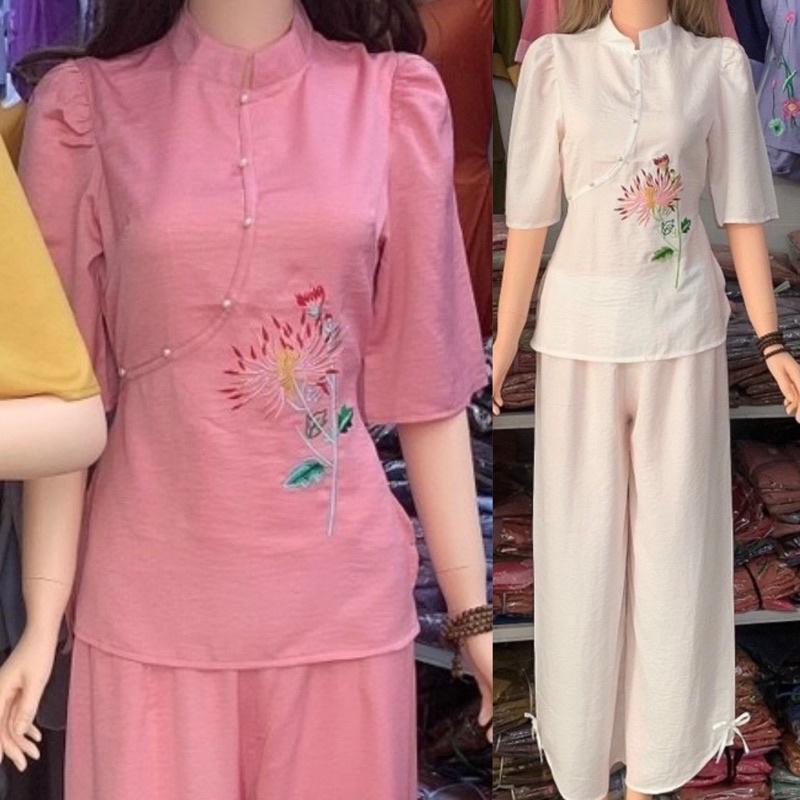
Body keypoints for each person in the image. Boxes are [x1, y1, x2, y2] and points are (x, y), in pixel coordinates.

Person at [5, 0, 492, 797]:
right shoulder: (85, 110)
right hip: (150, 613)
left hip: (341, 616)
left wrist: (472, 615)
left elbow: (427, 389)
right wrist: (42, 615)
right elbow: (67, 398)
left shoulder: (393, 102)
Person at [494, 0, 800, 798]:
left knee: (676, 556)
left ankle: (654, 773)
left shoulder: (716, 67)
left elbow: (742, 213)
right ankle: (584, 767)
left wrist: (772, 343)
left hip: (683, 336)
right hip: (578, 338)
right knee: (580, 555)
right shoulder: (555, 64)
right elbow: (529, 220)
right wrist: (502, 343)